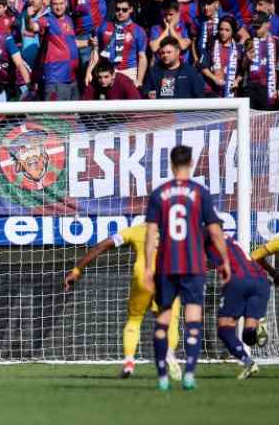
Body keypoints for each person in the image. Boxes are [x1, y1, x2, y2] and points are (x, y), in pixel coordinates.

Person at [144, 145, 230, 391]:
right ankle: (189, 374)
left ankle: (162, 378)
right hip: (193, 265)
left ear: (171, 165)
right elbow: (215, 230)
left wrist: (149, 268)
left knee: (162, 321)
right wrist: (224, 260)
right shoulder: (200, 192)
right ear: (191, 164)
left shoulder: (159, 194)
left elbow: (151, 234)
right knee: (193, 320)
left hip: (166, 266)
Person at [64, 221, 181, 379]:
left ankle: (129, 362)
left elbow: (102, 246)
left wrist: (77, 270)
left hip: (143, 278)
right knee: (169, 322)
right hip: (169, 279)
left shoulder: (136, 230)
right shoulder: (178, 230)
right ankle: (169, 354)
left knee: (134, 319)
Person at [205, 232, 271, 380]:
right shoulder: (230, 239)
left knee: (224, 329)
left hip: (237, 281)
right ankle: (259, 325)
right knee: (248, 337)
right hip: (261, 280)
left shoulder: (203, 235)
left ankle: (248, 363)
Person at [87, 0, 147, 88]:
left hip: (129, 72)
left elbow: (142, 57)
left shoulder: (138, 31)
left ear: (131, 9)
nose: (120, 12)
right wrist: (89, 71)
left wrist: (139, 80)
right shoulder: (103, 27)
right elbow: (96, 51)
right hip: (107, 72)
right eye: (117, 9)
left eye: (124, 10)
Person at [29, 0, 79, 101]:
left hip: (72, 77)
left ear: (66, 3)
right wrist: (31, 18)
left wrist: (90, 43)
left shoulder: (68, 19)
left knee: (73, 117)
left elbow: (72, 43)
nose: (58, 7)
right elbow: (35, 27)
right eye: (55, 4)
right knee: (56, 117)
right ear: (50, 5)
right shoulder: (47, 20)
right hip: (56, 78)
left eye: (61, 3)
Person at [200, 15, 242, 97]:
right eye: (221, 29)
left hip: (230, 92)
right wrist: (214, 78)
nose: (223, 33)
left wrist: (237, 81)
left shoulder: (238, 48)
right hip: (212, 91)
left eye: (227, 30)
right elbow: (202, 66)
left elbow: (242, 70)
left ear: (233, 31)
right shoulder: (211, 45)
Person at [242, 11, 278, 109]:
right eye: (254, 27)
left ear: (267, 25)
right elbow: (243, 68)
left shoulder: (276, 42)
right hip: (251, 87)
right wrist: (247, 59)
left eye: (258, 26)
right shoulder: (249, 42)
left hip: (268, 88)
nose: (256, 29)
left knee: (267, 121)